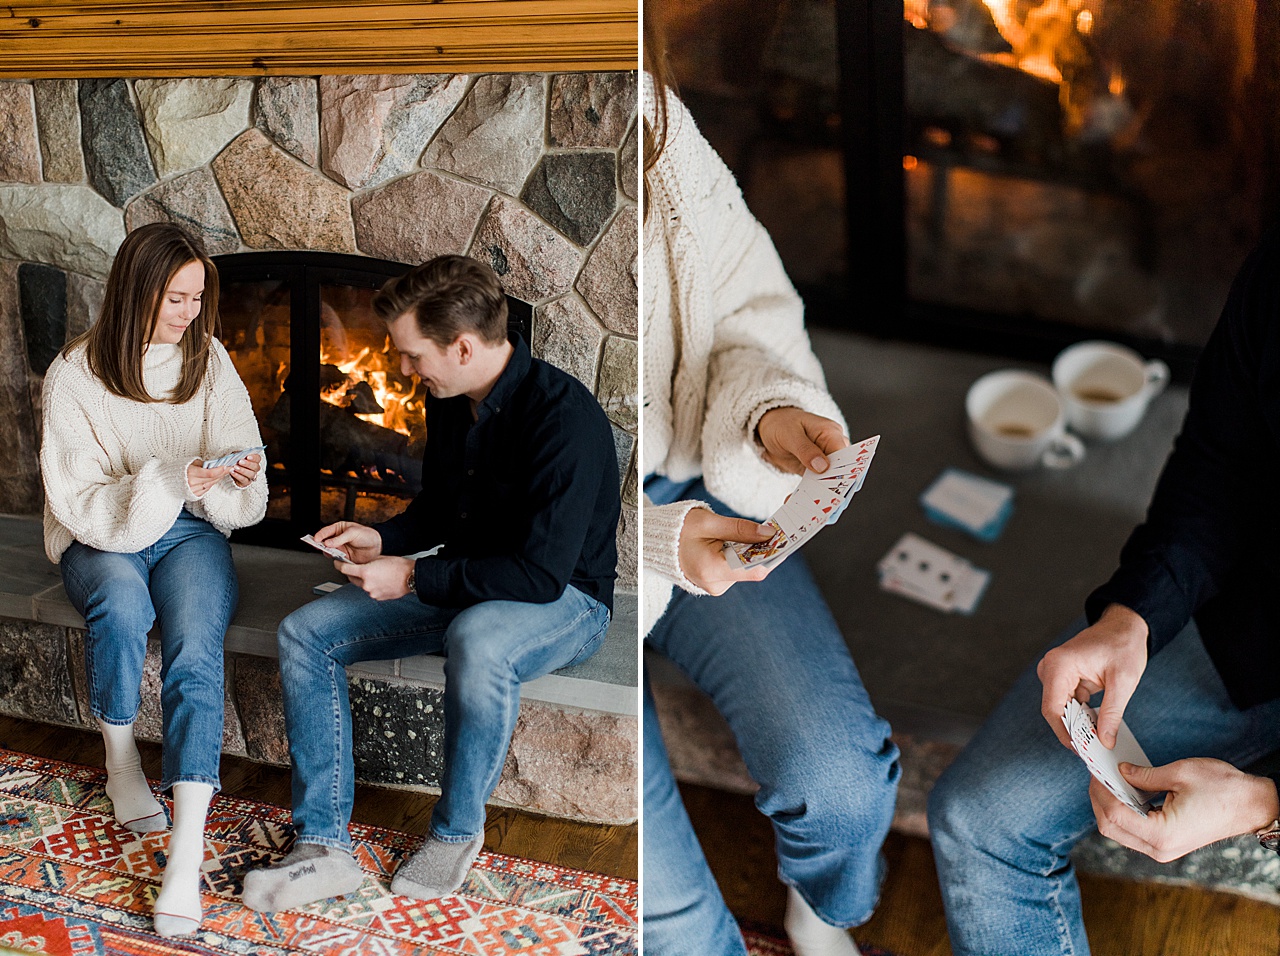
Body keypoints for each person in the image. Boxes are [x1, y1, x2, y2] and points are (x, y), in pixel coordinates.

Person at [927, 227, 1280, 956]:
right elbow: (1218, 469)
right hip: (1250, 623)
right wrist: (1133, 613)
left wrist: (1264, 806)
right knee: (980, 817)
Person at [241, 255, 620, 912]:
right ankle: (322, 844)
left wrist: (412, 574)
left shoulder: (565, 421)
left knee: (478, 637)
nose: (405, 369)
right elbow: (442, 512)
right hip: (463, 582)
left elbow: (538, 573)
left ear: (465, 345)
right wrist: (382, 541)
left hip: (564, 601)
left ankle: (455, 833)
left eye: (415, 355)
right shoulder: (449, 401)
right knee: (306, 633)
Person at [640, 17, 900, 956]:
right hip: (555, 562)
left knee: (839, 784)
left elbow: (745, 313)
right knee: (675, 936)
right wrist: (661, 541)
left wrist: (766, 417)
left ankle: (816, 912)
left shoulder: (655, 125)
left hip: (698, 484)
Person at [39, 222, 268, 936]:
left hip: (192, 531)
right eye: (177, 298)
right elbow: (80, 500)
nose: (191, 313)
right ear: (137, 291)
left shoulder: (210, 359)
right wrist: (171, 475)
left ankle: (187, 849)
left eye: (199, 298)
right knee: (122, 603)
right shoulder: (74, 373)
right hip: (101, 533)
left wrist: (238, 473)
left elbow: (242, 469)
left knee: (197, 643)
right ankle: (119, 763)